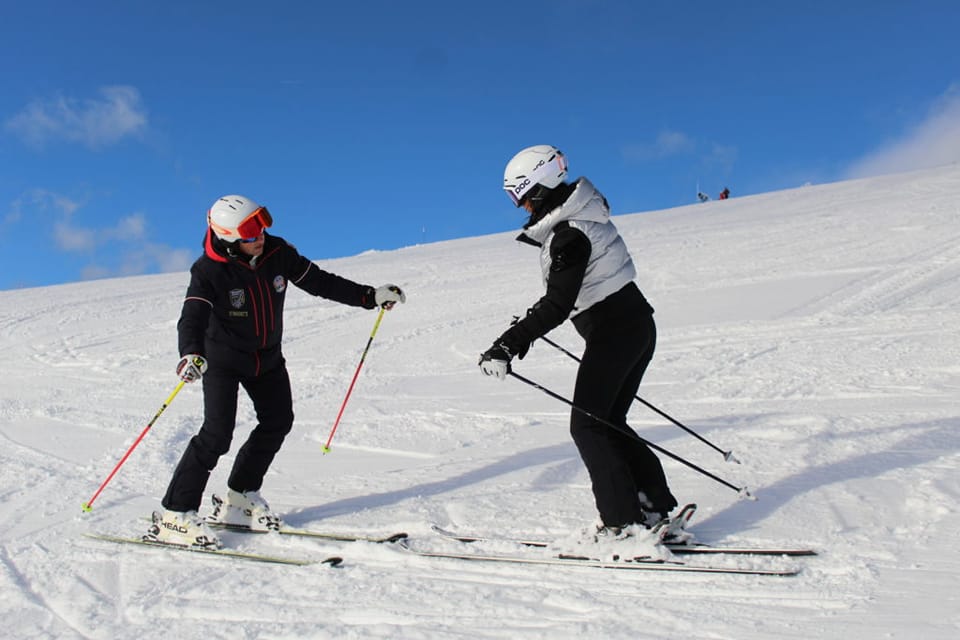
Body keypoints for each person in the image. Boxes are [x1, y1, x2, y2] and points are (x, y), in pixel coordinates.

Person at [146, 194, 406, 548]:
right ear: (228, 237)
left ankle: (239, 496)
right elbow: (192, 315)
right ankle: (175, 514)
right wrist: (190, 354)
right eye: (251, 230)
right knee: (216, 435)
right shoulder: (208, 270)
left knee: (278, 422)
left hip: (266, 358)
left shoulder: (277, 252)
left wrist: (368, 296)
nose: (261, 235)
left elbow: (320, 281)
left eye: (263, 223)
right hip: (223, 360)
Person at [479, 145, 678, 537]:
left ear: (536, 188)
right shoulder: (579, 223)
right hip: (633, 324)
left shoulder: (569, 234)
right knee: (607, 422)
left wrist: (507, 344)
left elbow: (557, 304)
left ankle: (622, 524)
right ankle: (652, 506)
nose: (520, 207)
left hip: (615, 330)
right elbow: (566, 298)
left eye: (518, 196)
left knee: (588, 426)